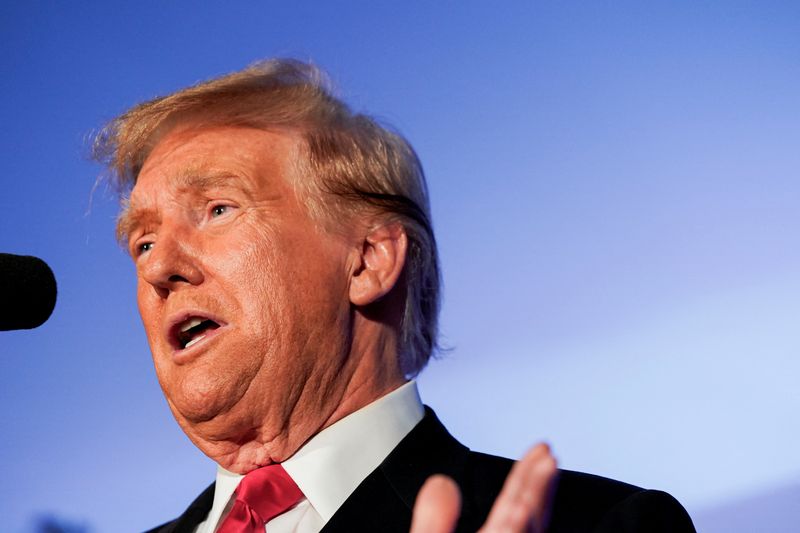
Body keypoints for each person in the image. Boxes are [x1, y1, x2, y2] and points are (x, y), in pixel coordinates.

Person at [94, 58, 696, 532]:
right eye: (143, 244)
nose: (160, 268)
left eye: (218, 209)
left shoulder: (601, 525)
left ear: (369, 260)